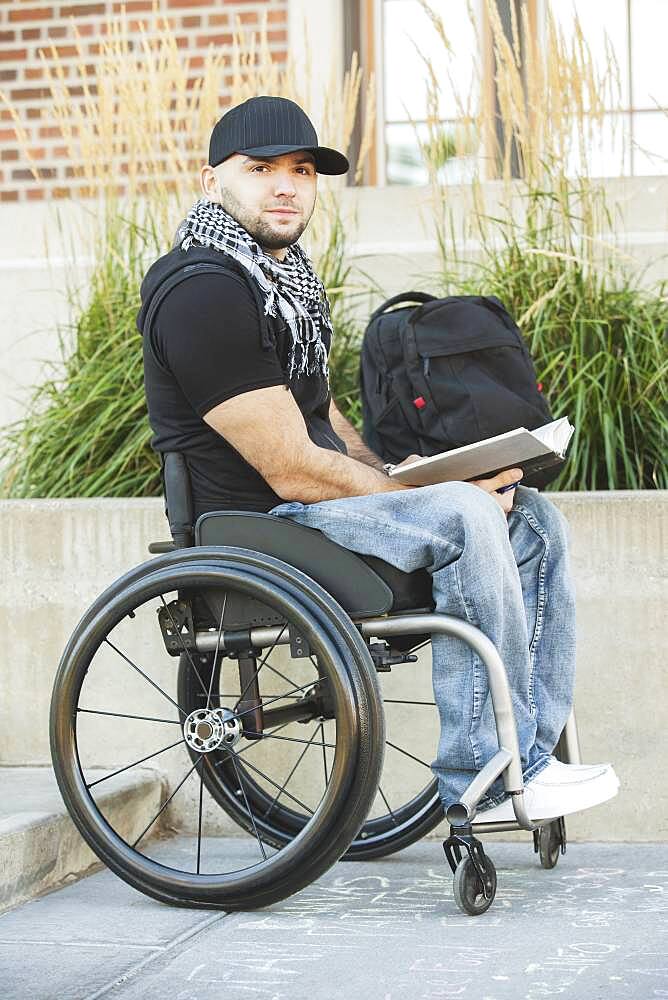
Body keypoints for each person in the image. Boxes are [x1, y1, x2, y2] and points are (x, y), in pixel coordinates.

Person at [137, 95, 618, 822]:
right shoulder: (202, 290)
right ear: (212, 181)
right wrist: (421, 497)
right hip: (259, 522)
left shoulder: (282, 283)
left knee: (534, 520)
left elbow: (318, 410)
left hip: (309, 510)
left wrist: (403, 477)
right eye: (261, 168)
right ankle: (483, 776)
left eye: (302, 170)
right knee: (462, 515)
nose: (286, 186)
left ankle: (530, 757)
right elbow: (292, 466)